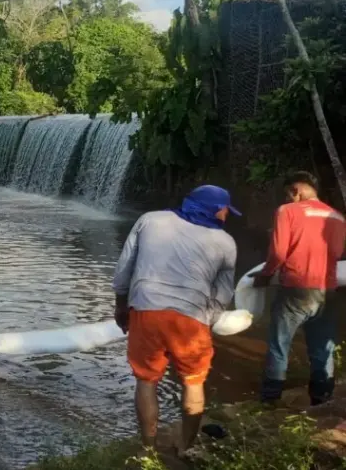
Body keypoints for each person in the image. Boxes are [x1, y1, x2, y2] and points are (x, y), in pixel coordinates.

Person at [112, 184, 238, 454]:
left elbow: (124, 269)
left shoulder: (151, 220)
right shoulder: (226, 242)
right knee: (193, 381)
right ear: (214, 210)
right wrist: (207, 320)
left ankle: (148, 450)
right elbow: (224, 293)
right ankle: (186, 447)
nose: (227, 216)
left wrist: (121, 306)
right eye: (226, 211)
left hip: (147, 309)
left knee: (146, 380)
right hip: (192, 319)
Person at [251, 171, 345, 406]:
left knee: (279, 344)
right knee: (322, 347)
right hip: (328, 291)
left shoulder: (287, 211)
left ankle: (271, 400)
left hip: (295, 289)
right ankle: (321, 399)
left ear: (296, 190)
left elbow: (278, 253)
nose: (288, 198)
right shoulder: (338, 217)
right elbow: (337, 254)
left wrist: (265, 275)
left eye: (288, 194)